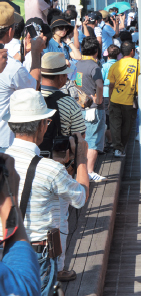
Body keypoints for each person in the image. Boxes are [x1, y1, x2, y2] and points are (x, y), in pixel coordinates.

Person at [7, 89, 86, 293]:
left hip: (5, 250)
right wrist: (82, 160)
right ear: (42, 125)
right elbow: (80, 197)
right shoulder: (50, 169)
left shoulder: (3, 161)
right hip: (38, 253)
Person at [37, 53, 88, 200]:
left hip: (30, 164)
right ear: (60, 77)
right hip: (60, 167)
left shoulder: (31, 98)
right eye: (65, 75)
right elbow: (80, 138)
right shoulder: (69, 103)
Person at [0, 2, 35, 150]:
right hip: (4, 141)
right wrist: (37, 54)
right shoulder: (12, 66)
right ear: (10, 31)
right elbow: (34, 87)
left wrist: (23, 53)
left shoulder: (11, 64)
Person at [73, 38, 105, 183]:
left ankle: (81, 170)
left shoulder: (77, 64)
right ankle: (90, 171)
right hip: (93, 108)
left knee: (83, 139)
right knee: (93, 141)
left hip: (80, 107)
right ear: (96, 51)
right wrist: (99, 99)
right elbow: (99, 84)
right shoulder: (94, 66)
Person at [105, 41, 139, 158]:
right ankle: (121, 147)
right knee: (127, 125)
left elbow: (111, 85)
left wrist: (109, 101)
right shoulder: (138, 64)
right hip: (130, 100)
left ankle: (117, 148)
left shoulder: (115, 66)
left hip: (115, 99)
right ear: (132, 51)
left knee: (115, 125)